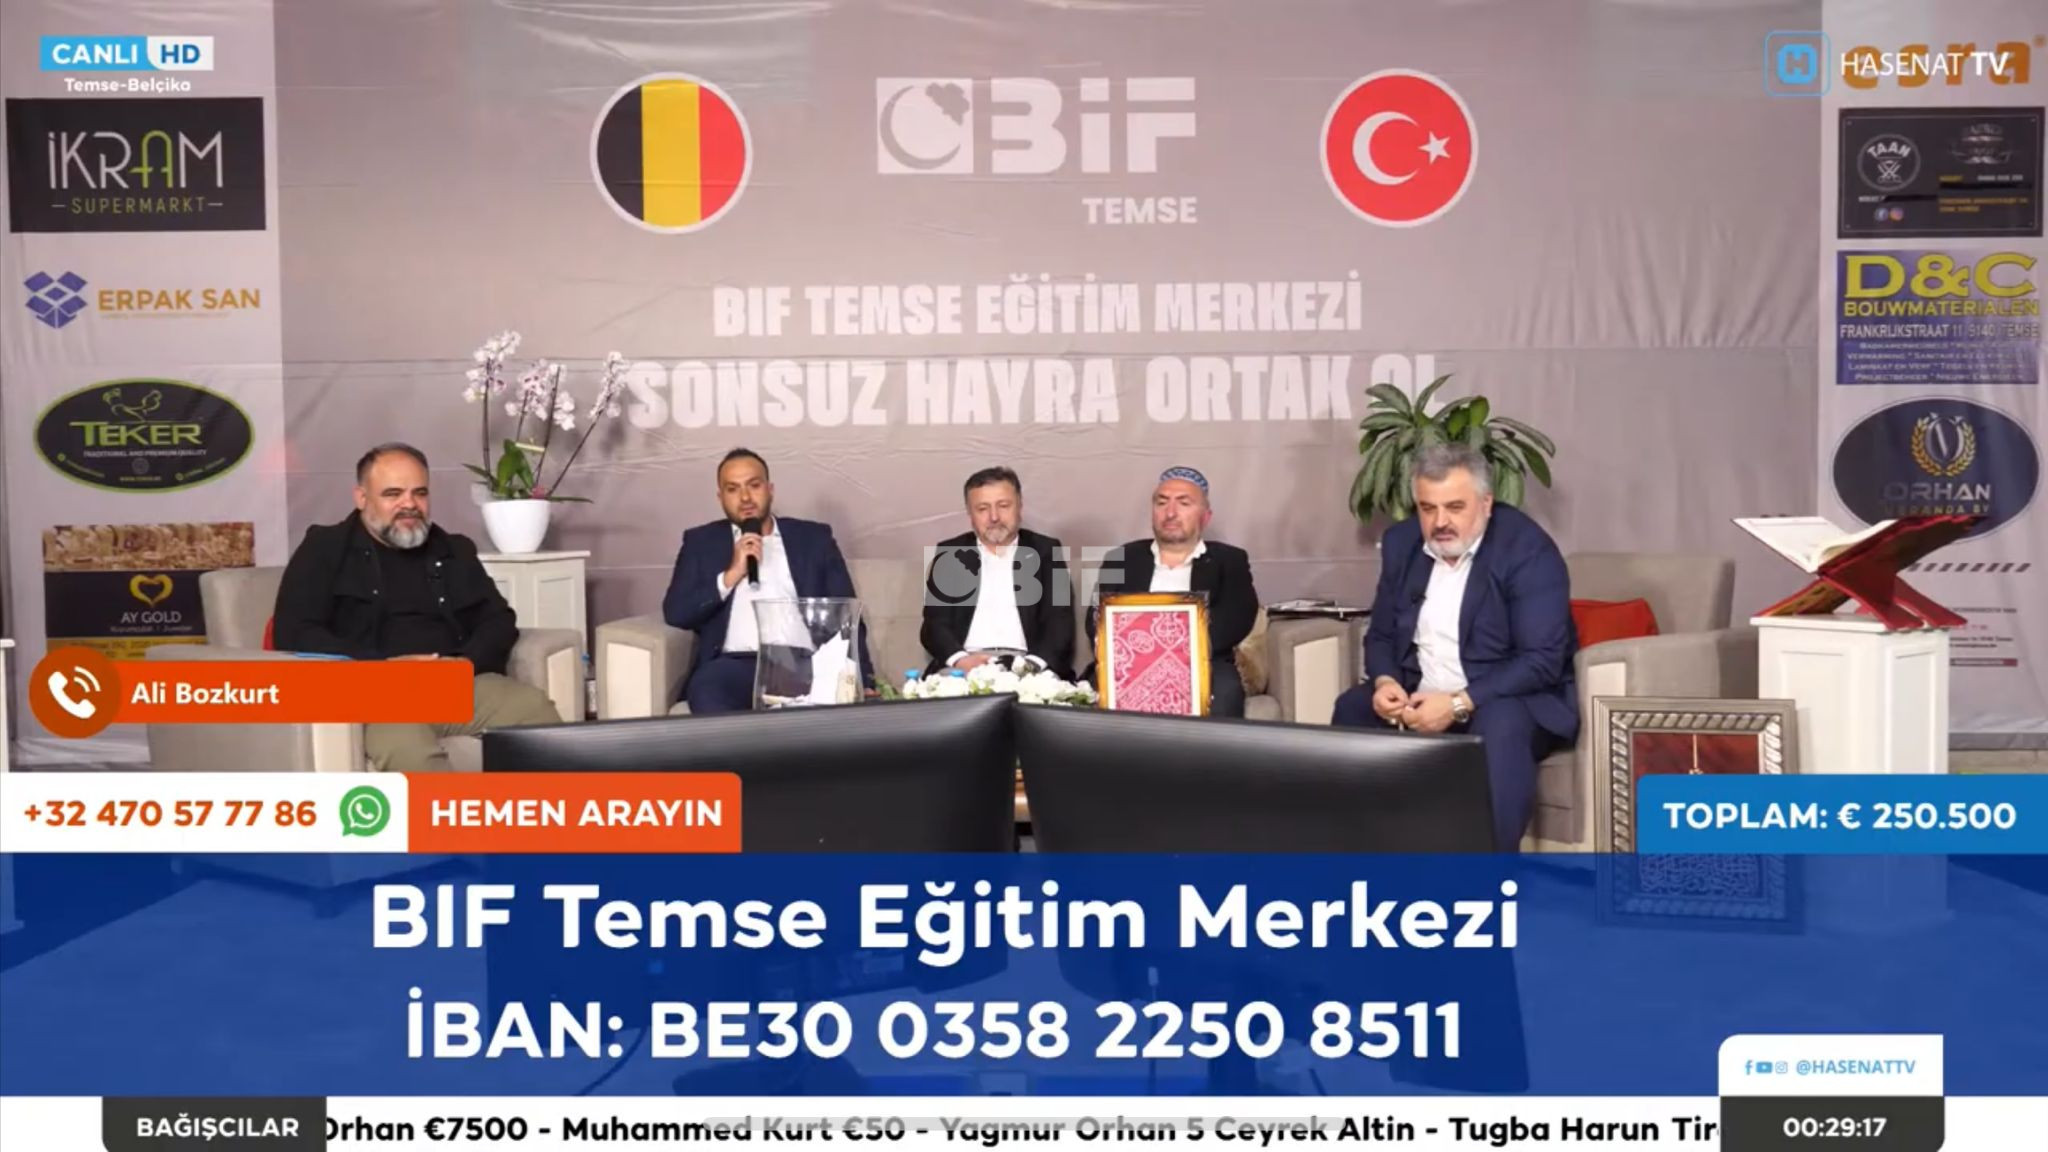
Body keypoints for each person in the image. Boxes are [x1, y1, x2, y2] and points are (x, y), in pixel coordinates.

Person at [1332, 442, 1578, 850]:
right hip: (1422, 693)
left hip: (1509, 699)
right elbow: (1381, 634)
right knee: (1353, 707)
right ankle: (1358, 859)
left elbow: (1541, 661)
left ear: (1486, 503)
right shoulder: (1402, 544)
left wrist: (1459, 703)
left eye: (1455, 507)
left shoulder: (1527, 550)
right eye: (1428, 508)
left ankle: (1486, 872)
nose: (1440, 522)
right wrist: (1386, 681)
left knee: (1499, 726)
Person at [271, 442, 562, 772]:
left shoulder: (453, 549)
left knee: (534, 710)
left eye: (419, 493)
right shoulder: (325, 548)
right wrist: (383, 668)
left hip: (451, 686)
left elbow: (498, 620)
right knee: (408, 748)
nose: (409, 504)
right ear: (362, 498)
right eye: (392, 494)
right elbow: (294, 633)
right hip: (376, 695)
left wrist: (464, 664)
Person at [661, 448, 871, 713]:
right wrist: (730, 575)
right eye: (732, 489)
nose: (745, 497)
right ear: (720, 497)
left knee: (832, 698)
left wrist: (865, 678)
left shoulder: (813, 538)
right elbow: (676, 613)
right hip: (736, 666)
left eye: (754, 485)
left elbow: (846, 615)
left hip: (803, 663)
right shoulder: (701, 542)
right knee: (707, 687)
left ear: (770, 490)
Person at [1085, 467, 1260, 717]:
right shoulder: (1120, 558)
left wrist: (1177, 654)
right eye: (1162, 502)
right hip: (1127, 664)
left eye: (1183, 503)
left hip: (1204, 663)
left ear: (1205, 517)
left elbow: (1238, 618)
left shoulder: (1230, 560)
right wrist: (1140, 656)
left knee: (1224, 696)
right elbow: (1095, 619)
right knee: (1086, 698)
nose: (1170, 512)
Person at [921, 466, 1075, 680]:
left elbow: (1059, 622)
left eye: (1003, 506)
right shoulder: (950, 553)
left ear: (1019, 506)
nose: (994, 517)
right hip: (963, 666)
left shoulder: (1046, 551)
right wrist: (961, 660)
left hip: (1029, 666)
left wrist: (1030, 666)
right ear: (970, 513)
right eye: (982, 509)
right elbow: (934, 625)